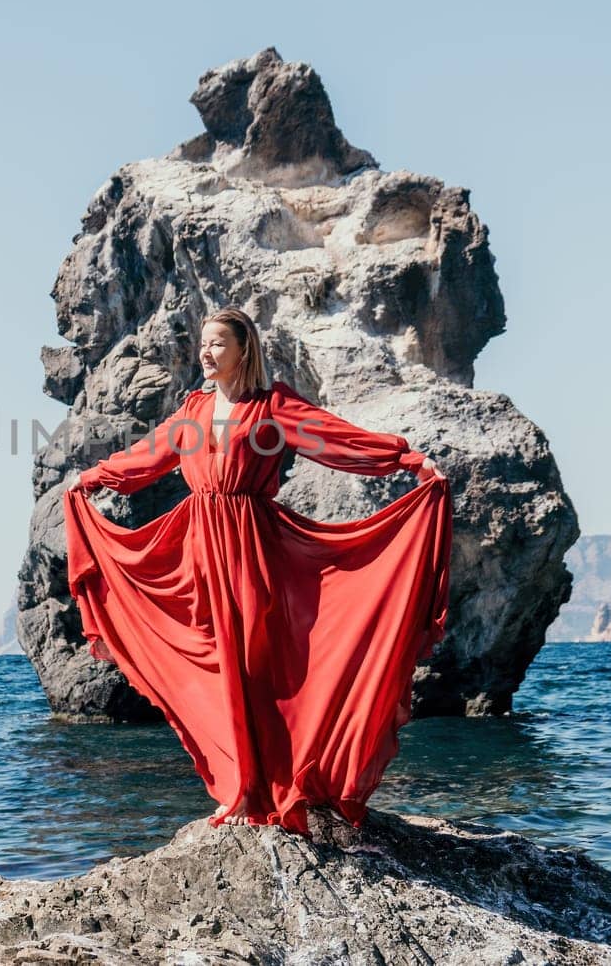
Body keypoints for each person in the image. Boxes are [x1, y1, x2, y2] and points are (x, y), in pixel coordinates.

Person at [62, 308, 453, 836]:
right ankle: (239, 789)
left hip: (254, 549)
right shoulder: (194, 411)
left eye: (218, 343)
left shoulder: (271, 407)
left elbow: (334, 438)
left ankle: (277, 786)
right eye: (203, 343)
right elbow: (147, 456)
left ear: (243, 351)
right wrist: (94, 477)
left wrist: (406, 460)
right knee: (218, 666)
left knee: (258, 669)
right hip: (201, 549)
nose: (206, 352)